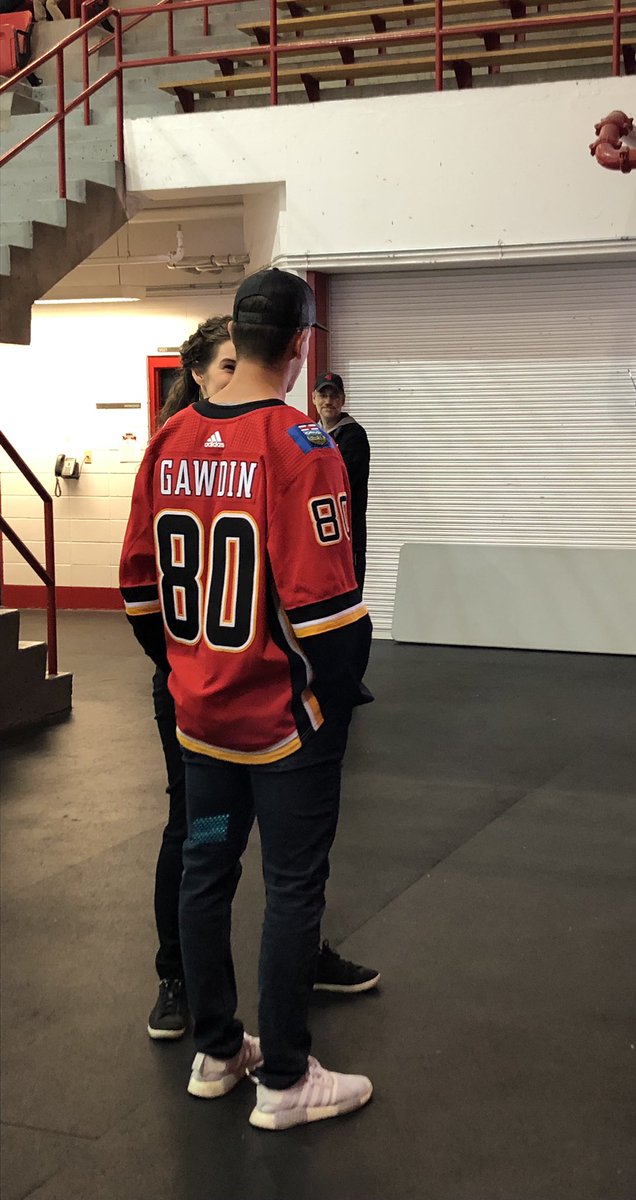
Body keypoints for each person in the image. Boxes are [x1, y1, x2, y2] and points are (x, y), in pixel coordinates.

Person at [121, 269, 374, 1129]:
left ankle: (219, 1050)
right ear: (300, 345)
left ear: (238, 332)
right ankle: (286, 1077)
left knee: (206, 873)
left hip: (199, 717)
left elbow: (137, 593)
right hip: (281, 724)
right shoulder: (304, 444)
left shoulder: (168, 440)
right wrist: (330, 705)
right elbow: (330, 614)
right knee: (294, 884)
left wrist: (186, 668)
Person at [312, 371, 370, 591]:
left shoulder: (354, 436)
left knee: (348, 598)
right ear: (313, 398)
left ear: (343, 400)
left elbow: (334, 479)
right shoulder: (311, 434)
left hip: (348, 536)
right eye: (323, 395)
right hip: (320, 535)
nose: (328, 401)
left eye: (334, 396)